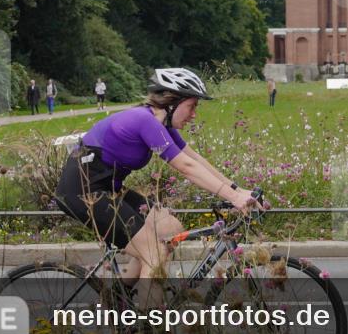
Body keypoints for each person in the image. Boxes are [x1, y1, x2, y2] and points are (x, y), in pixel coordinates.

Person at [54, 68, 259, 310]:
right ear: (172, 102)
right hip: (82, 193)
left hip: (108, 188)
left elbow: (193, 158)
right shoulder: (143, 121)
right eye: (192, 106)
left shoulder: (161, 124)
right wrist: (233, 197)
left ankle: (118, 294)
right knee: (154, 255)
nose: (194, 114)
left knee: (169, 227)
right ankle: (149, 333)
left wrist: (237, 189)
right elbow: (185, 167)